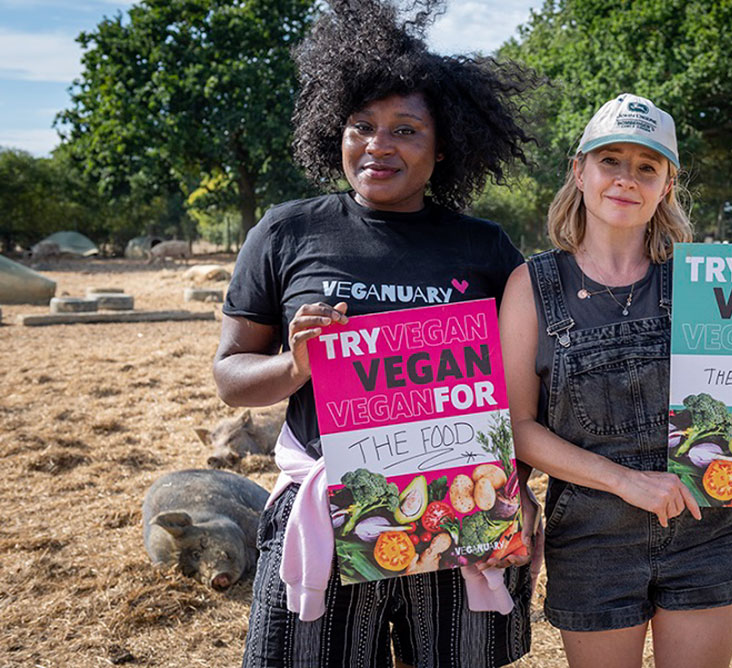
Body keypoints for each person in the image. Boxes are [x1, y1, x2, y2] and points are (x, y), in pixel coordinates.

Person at [212, 2, 539, 666]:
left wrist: (519, 486)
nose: (378, 145)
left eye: (406, 130)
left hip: (459, 515)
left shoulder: (485, 248)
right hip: (324, 516)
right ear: (335, 130)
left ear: (442, 146)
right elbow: (230, 379)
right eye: (362, 126)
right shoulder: (286, 231)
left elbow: (523, 383)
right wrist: (295, 367)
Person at [498, 93, 732, 668]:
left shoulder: (706, 280)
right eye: (610, 160)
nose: (627, 179)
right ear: (579, 170)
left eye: (647, 166)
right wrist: (627, 482)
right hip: (595, 537)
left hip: (710, 530)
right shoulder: (533, 285)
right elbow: (518, 427)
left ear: (667, 185)